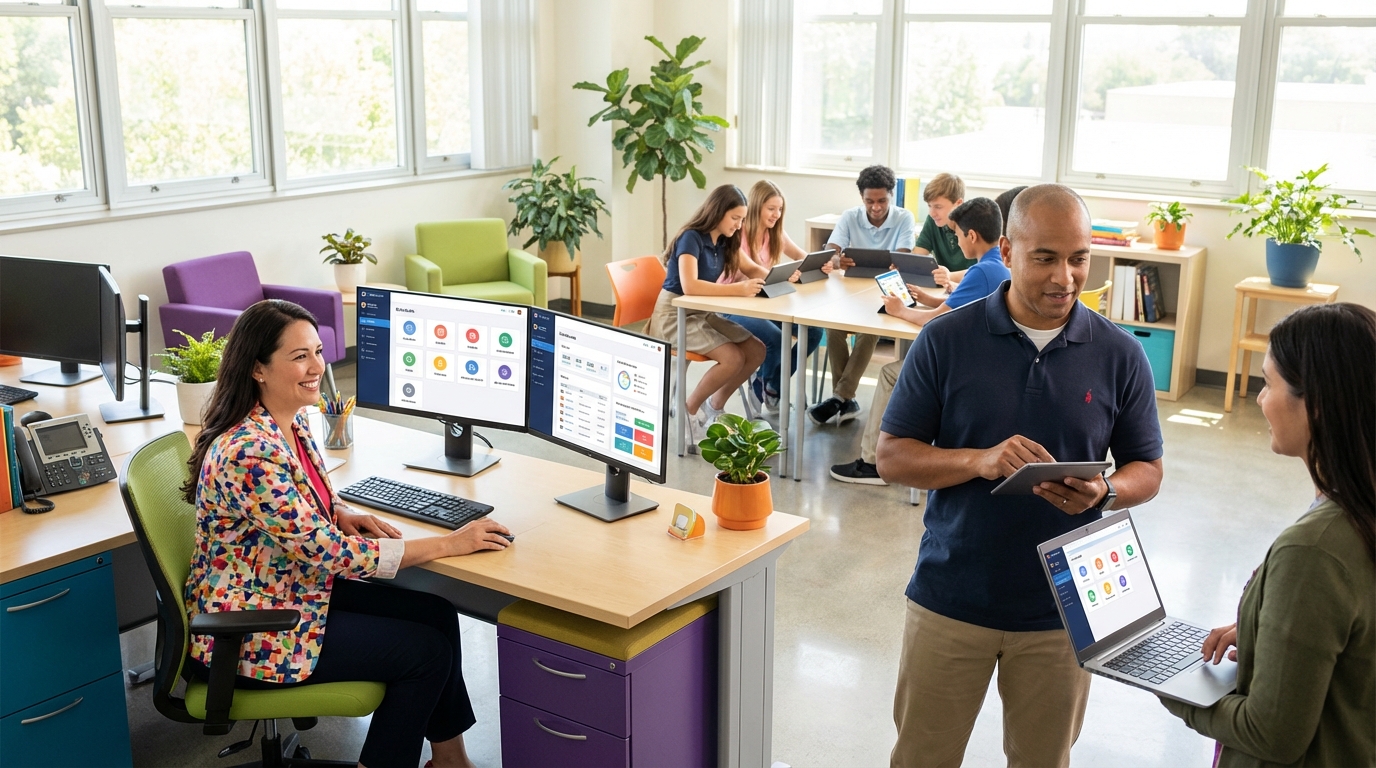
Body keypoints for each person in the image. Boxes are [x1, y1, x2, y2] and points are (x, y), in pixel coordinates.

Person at [877, 184, 1165, 767]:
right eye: (1045, 258)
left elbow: (1148, 469)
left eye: (1079, 258)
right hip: (950, 598)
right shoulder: (944, 340)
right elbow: (892, 457)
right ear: (1007, 250)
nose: (1065, 277)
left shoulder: (1119, 354)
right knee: (922, 757)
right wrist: (977, 460)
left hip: (1063, 611)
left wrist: (1107, 491)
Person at [184, 300, 512, 768]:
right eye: (299, 356)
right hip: (257, 629)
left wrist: (335, 509)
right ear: (258, 368)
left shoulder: (287, 423)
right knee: (424, 653)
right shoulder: (248, 452)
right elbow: (331, 555)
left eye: (318, 351)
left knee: (438, 613)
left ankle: (450, 761)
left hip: (293, 590)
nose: (318, 366)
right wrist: (450, 542)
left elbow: (297, 508)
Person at [1160, 303, 1375, 767]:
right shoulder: (1360, 513)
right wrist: (1268, 630)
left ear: (1314, 403)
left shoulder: (1314, 550)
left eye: (1268, 383)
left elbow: (1272, 732)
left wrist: (1173, 687)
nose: (1260, 398)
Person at [829, 197, 1010, 485]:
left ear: (972, 236)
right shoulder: (997, 265)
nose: (957, 240)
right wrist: (928, 299)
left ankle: (872, 463)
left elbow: (934, 320)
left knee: (890, 373)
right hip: (984, 358)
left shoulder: (981, 271)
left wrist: (902, 310)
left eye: (958, 234)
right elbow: (958, 305)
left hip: (965, 367)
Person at [647, 184, 768, 449]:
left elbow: (753, 269)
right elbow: (690, 286)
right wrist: (738, 290)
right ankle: (690, 410)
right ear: (718, 212)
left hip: (701, 312)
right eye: (735, 218)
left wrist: (786, 275)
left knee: (756, 350)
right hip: (674, 314)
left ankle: (715, 407)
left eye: (742, 219)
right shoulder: (691, 237)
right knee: (733, 358)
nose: (739, 225)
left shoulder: (726, 240)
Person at [811, 164, 916, 426]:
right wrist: (837, 260)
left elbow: (903, 257)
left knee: (868, 331)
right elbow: (831, 252)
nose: (876, 207)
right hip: (852, 289)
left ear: (891, 195)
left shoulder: (904, 218)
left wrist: (898, 264)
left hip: (884, 290)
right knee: (833, 329)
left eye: (882, 200)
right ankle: (845, 399)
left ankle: (839, 397)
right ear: (862, 198)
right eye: (870, 201)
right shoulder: (850, 216)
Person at [719, 180, 824, 413]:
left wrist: (821, 264)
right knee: (776, 339)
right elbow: (752, 271)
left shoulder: (775, 232)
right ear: (756, 207)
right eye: (771, 208)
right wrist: (786, 277)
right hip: (731, 303)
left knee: (814, 332)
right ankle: (759, 385)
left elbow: (801, 256)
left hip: (763, 302)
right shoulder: (737, 232)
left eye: (780, 209)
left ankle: (773, 386)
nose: (776, 214)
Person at [915, 173, 974, 291]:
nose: (932, 213)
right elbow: (918, 256)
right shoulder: (933, 221)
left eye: (938, 207)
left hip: (970, 288)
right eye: (929, 206)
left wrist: (949, 276)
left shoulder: (975, 224)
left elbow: (987, 269)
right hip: (945, 289)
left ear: (958, 203)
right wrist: (905, 266)